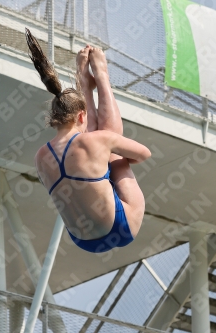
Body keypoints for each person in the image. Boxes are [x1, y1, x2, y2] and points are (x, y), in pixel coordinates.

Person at [25, 28, 151, 253]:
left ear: (54, 120)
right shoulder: (96, 140)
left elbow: (82, 153)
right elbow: (144, 154)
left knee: (100, 150)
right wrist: (109, 144)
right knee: (114, 155)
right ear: (82, 116)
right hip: (121, 227)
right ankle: (100, 76)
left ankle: (85, 80)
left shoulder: (40, 156)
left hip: (84, 240)